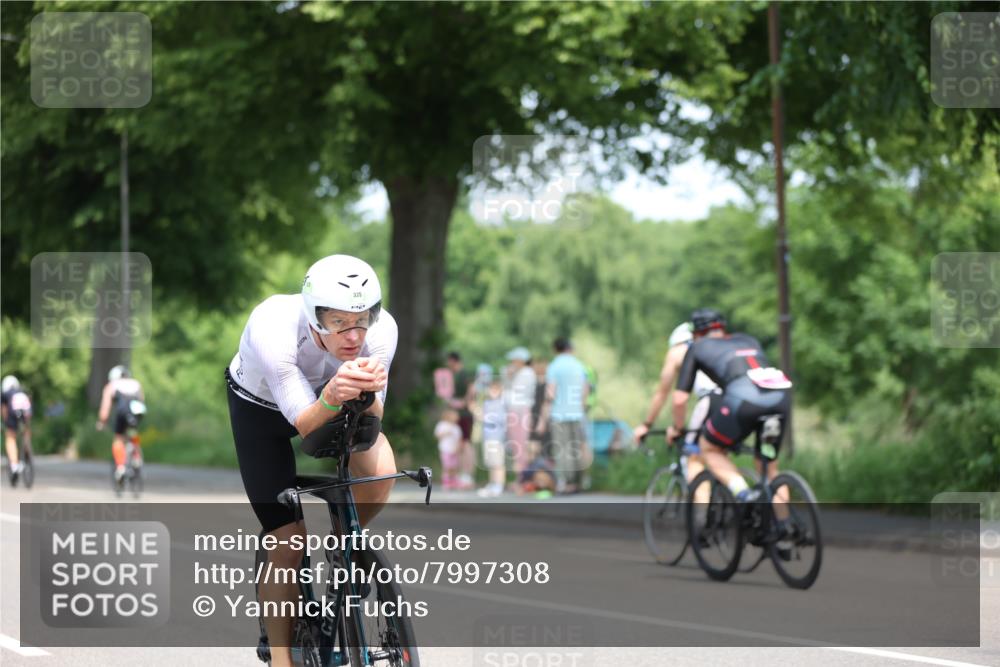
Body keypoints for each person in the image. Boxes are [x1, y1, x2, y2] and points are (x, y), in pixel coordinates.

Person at [226, 254, 397, 667]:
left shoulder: (383, 330)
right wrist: (333, 394)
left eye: (362, 320)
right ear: (314, 316)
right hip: (262, 408)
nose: (353, 335)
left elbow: (374, 419)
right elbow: (305, 423)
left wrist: (367, 396)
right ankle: (282, 659)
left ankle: (343, 546)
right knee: (288, 542)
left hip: (331, 394)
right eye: (339, 322)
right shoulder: (272, 325)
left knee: (382, 471)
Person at [672, 309, 792, 504]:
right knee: (769, 469)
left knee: (709, 448)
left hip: (743, 400)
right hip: (780, 397)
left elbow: (679, 399)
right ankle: (784, 521)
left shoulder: (697, 347)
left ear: (696, 333)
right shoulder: (748, 339)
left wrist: (677, 429)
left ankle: (743, 494)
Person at [633, 321, 719, 485]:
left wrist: (648, 424)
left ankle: (701, 501)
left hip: (710, 400)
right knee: (717, 454)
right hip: (732, 400)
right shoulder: (713, 347)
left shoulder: (677, 351)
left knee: (692, 457)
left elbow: (663, 394)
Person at [537, 337, 590, 494]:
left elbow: (550, 394)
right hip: (577, 413)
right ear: (570, 348)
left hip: (559, 414)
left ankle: (566, 483)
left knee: (563, 449)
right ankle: (580, 482)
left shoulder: (554, 366)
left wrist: (542, 420)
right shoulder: (579, 365)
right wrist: (581, 409)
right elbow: (585, 389)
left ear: (555, 349)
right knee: (578, 447)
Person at [96, 365, 145, 483]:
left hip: (122, 412)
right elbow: (142, 400)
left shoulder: (112, 385)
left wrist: (102, 421)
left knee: (118, 438)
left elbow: (105, 408)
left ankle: (120, 467)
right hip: (137, 412)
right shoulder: (136, 383)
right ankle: (136, 456)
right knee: (133, 434)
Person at [503, 346, 535, 484]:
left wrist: (509, 377)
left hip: (520, 411)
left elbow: (515, 393)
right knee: (516, 445)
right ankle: (520, 478)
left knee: (520, 444)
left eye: (514, 360)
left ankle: (523, 478)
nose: (512, 363)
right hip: (515, 410)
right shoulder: (521, 372)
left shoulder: (527, 373)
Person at [445, 351, 476, 490]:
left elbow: (472, 389)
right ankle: (459, 475)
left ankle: (467, 475)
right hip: (455, 415)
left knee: (466, 443)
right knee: (459, 444)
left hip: (464, 414)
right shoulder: (452, 375)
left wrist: (464, 402)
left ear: (453, 361)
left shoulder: (463, 374)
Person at [478, 378, 507, 497]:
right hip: (488, 437)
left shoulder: (501, 404)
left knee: (498, 463)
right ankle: (492, 483)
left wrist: (484, 417)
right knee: (490, 463)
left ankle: (499, 485)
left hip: (497, 438)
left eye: (496, 390)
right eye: (491, 389)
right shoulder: (487, 404)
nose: (493, 392)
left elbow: (500, 420)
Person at [2, 375, 32, 483]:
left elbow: (4, 410)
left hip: (12, 413)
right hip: (26, 411)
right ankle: (27, 449)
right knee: (26, 431)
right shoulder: (22, 390)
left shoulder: (5, 394)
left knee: (10, 438)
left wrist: (5, 423)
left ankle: (14, 465)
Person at [434, 408, 462, 489]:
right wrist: (446, 433)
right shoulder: (442, 425)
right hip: (445, 450)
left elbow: (459, 439)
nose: (456, 417)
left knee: (454, 466)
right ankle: (446, 482)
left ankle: (454, 482)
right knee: (447, 466)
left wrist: (458, 448)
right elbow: (437, 435)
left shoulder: (456, 427)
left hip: (454, 450)